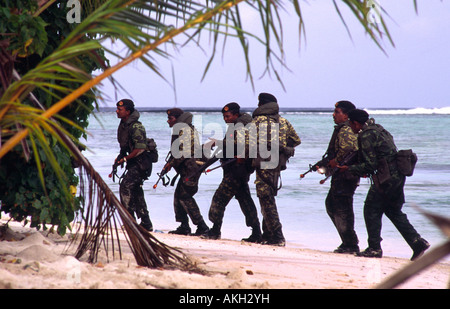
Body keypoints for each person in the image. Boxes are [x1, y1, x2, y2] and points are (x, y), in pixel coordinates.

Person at [339, 109, 430, 260]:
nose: (350, 127)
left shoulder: (366, 135)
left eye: (350, 124)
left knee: (370, 208)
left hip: (386, 178)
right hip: (398, 176)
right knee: (393, 210)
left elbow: (370, 165)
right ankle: (417, 242)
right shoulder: (379, 129)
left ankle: (374, 248)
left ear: (355, 123)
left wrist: (349, 168)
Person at [203, 102, 262, 242]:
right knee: (245, 200)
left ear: (236, 114)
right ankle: (256, 232)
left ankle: (215, 230)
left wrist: (217, 143)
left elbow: (237, 145)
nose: (225, 119)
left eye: (228, 116)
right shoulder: (237, 126)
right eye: (224, 116)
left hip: (237, 170)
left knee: (219, 199)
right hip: (237, 170)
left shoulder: (241, 126)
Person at [250, 93, 301, 246]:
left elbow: (247, 143)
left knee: (266, 200)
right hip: (277, 165)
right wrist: (284, 148)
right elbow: (296, 140)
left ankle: (278, 236)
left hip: (264, 164)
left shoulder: (257, 121)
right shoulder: (283, 121)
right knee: (268, 197)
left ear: (261, 104)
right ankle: (268, 235)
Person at [315, 101, 360, 254]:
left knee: (342, 208)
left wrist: (335, 162)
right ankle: (348, 241)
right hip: (343, 174)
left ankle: (350, 244)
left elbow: (348, 149)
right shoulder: (345, 128)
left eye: (337, 111)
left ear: (346, 115)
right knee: (333, 205)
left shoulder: (346, 129)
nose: (333, 115)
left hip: (345, 174)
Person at [164, 108, 209, 236]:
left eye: (170, 118)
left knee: (185, 196)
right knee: (178, 196)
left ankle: (202, 226)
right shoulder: (183, 129)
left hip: (191, 169)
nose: (168, 121)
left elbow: (184, 152)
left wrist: (170, 164)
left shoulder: (185, 130)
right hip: (187, 168)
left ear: (177, 118)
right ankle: (184, 226)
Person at [115, 99, 153, 231]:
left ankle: (130, 222)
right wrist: (120, 157)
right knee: (136, 192)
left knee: (125, 188)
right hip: (133, 163)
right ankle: (146, 223)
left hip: (141, 164)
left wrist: (125, 158)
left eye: (120, 109)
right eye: (117, 109)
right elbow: (125, 145)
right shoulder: (124, 124)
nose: (117, 111)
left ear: (128, 111)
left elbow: (140, 149)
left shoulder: (136, 126)